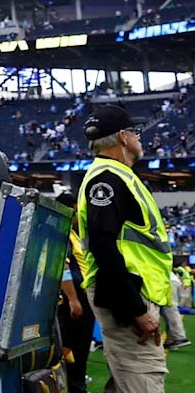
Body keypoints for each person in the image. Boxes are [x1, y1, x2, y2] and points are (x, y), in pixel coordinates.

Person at [76, 104, 174, 393]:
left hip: (128, 293)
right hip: (126, 298)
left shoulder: (116, 176)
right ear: (123, 137)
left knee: (127, 380)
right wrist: (136, 309)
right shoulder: (108, 179)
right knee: (142, 378)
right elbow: (102, 245)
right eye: (136, 132)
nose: (139, 138)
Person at [55, 191, 95, 393]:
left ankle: (78, 384)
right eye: (77, 211)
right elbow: (63, 267)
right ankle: (74, 387)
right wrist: (73, 299)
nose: (80, 215)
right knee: (73, 348)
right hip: (74, 301)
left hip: (83, 298)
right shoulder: (61, 233)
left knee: (80, 348)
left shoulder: (72, 234)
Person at [161, 269, 191, 350]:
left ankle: (179, 337)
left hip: (166, 279)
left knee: (170, 309)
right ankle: (171, 341)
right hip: (169, 279)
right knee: (167, 310)